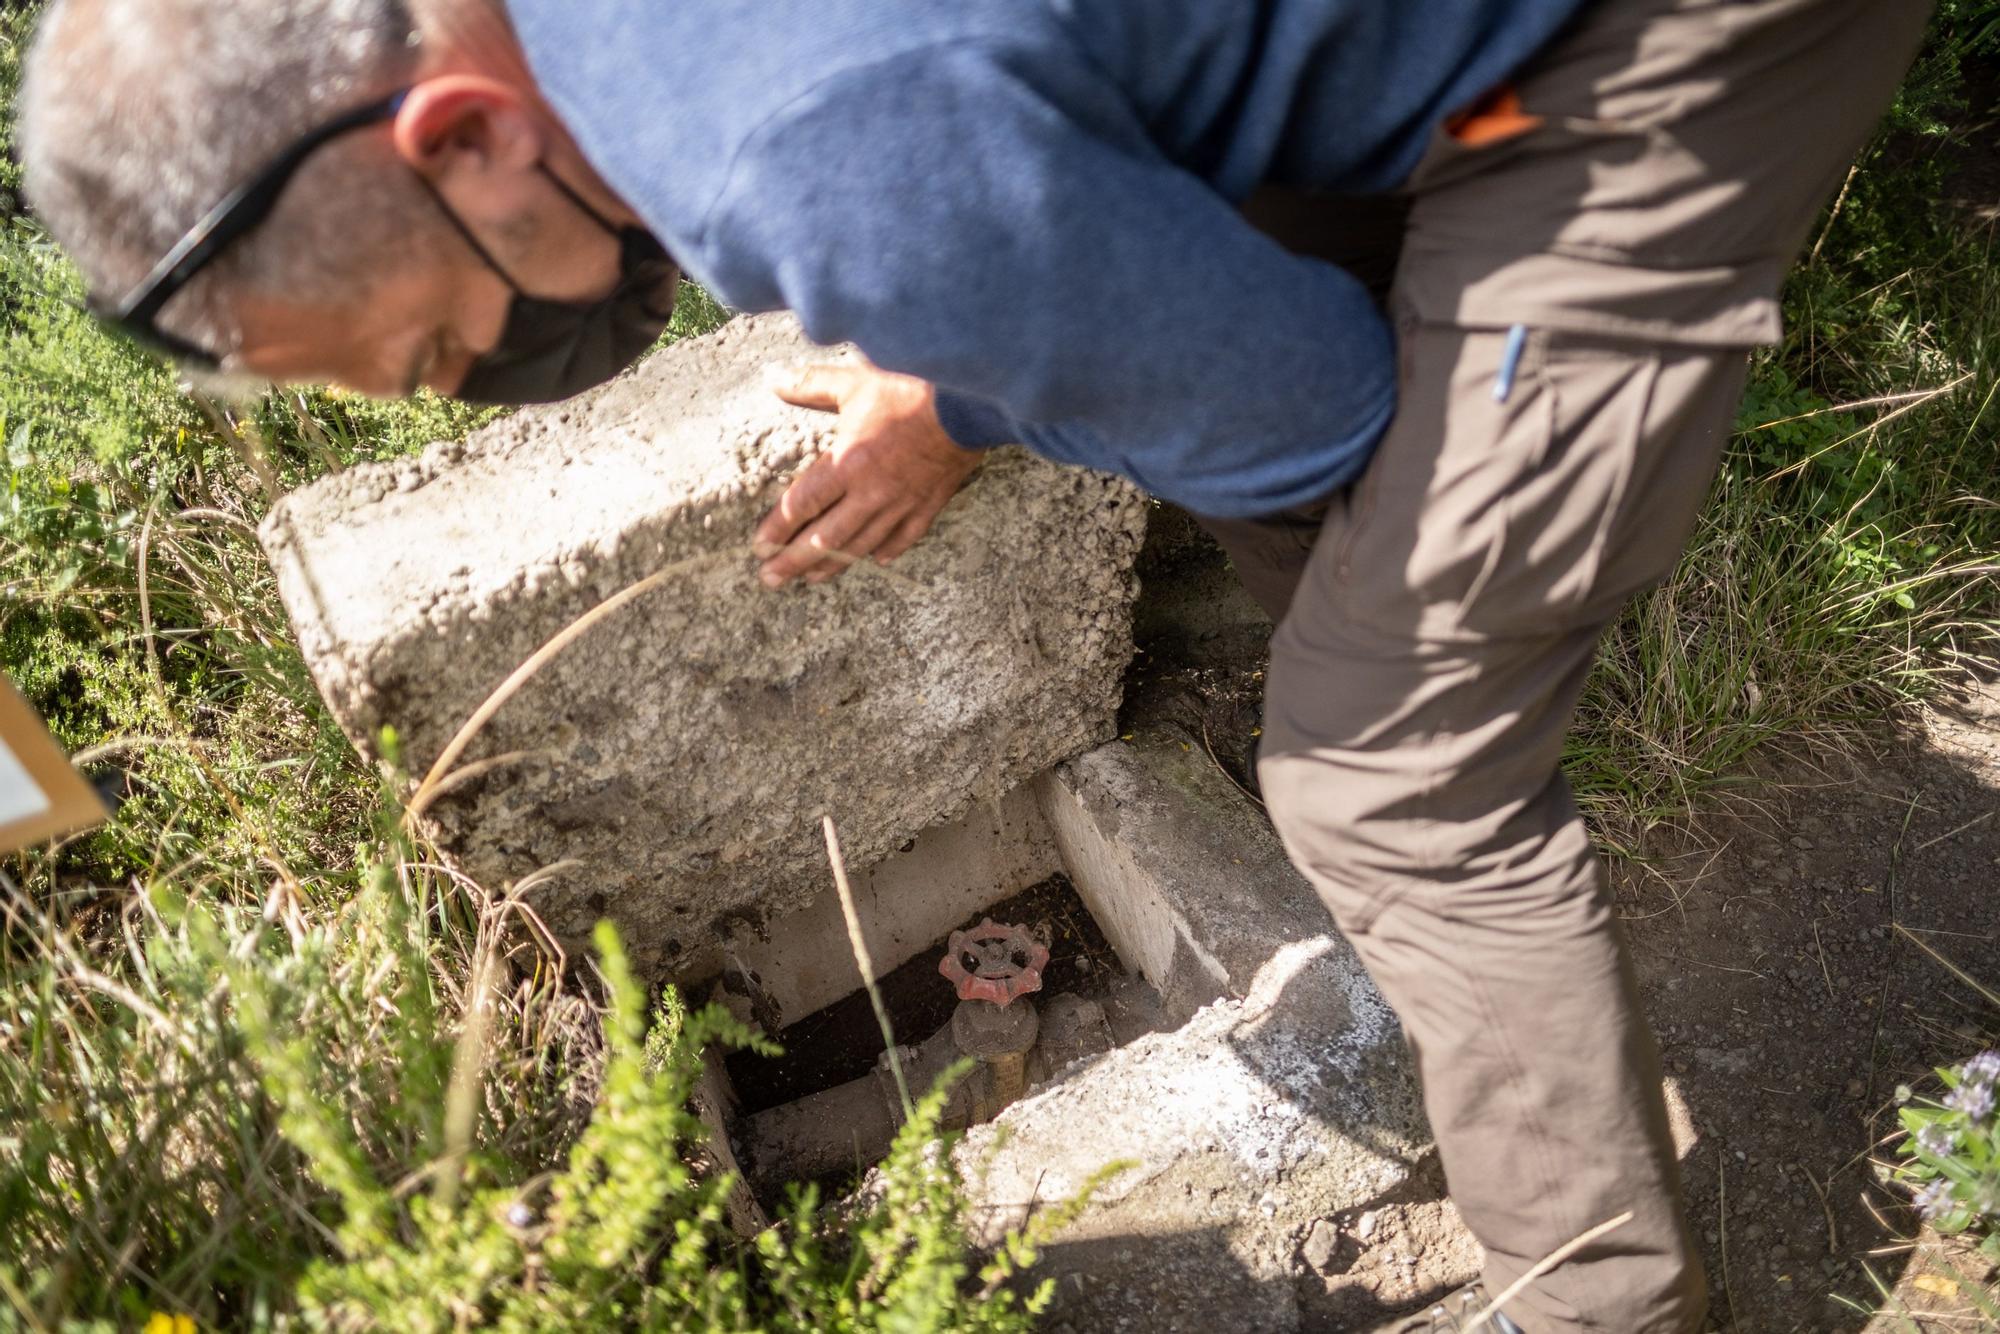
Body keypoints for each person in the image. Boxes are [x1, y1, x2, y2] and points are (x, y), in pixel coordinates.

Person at [17, 1, 1933, 1329]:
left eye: (438, 349)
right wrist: (1000, 335)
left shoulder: (823, 146)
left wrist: (985, 366)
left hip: (1640, 53)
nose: (469, 386)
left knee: (1393, 772)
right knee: (1345, 602)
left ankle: (1608, 1305)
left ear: (463, 136)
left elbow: (1318, 408)